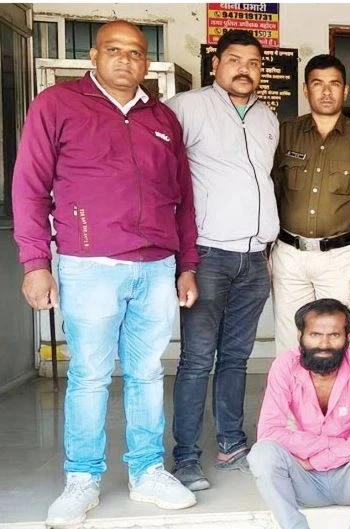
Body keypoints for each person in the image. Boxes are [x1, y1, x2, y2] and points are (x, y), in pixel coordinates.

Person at [12, 20, 199, 526]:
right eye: (114, 50)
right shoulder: (57, 105)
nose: (125, 59)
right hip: (89, 265)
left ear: (145, 62)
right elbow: (30, 187)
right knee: (90, 375)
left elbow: (184, 199)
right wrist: (36, 263)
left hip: (156, 266)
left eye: (135, 52)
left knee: (146, 373)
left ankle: (147, 471)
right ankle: (82, 479)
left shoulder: (162, 117)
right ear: (93, 57)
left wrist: (187, 265)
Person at [166, 29, 279, 491]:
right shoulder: (186, 108)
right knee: (196, 360)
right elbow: (164, 176)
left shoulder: (268, 118)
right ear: (215, 65)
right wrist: (184, 260)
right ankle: (186, 457)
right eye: (234, 60)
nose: (244, 69)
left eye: (253, 63)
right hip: (208, 254)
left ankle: (231, 443)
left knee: (236, 358)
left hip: (254, 259)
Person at [271, 54, 350, 355]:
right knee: (289, 342)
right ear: (305, 89)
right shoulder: (285, 133)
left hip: (339, 259)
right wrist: (265, 252)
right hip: (289, 255)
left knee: (335, 342)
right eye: (317, 84)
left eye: (334, 84)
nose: (326, 91)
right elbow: (271, 194)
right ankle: (293, 390)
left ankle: (334, 390)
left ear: (345, 91)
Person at [248, 298, 350, 529]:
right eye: (315, 334)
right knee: (262, 454)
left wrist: (320, 459)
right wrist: (326, 447)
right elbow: (269, 431)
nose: (324, 344)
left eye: (334, 335)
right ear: (300, 336)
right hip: (304, 480)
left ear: (348, 337)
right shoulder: (285, 365)